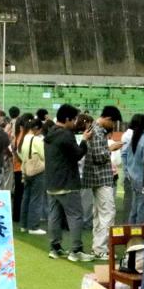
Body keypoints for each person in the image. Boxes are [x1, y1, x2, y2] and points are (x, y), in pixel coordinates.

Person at [45, 104, 92, 262]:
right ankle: (76, 250)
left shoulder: (50, 132)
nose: (75, 123)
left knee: (54, 216)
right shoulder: (66, 135)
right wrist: (84, 140)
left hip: (52, 182)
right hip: (67, 183)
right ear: (67, 119)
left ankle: (55, 247)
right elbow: (77, 154)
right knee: (75, 216)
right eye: (74, 120)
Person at [82, 106, 123, 260]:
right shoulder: (98, 131)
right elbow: (99, 157)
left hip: (96, 177)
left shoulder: (95, 129)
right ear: (108, 119)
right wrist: (111, 148)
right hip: (101, 177)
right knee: (107, 212)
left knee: (99, 214)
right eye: (113, 123)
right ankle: (101, 249)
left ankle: (98, 247)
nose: (113, 126)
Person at [18, 118, 47, 235]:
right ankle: (33, 227)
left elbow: (19, 153)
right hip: (38, 171)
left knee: (26, 198)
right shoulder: (36, 140)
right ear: (37, 128)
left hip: (26, 169)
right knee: (36, 199)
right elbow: (44, 155)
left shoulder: (24, 138)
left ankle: (24, 225)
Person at [122, 115, 144, 223]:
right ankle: (138, 230)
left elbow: (126, 155)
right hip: (140, 176)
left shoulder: (134, 136)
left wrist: (127, 171)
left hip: (134, 175)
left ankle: (132, 228)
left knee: (135, 207)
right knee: (141, 208)